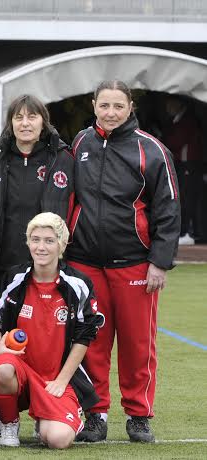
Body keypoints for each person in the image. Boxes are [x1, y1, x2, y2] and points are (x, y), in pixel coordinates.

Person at [67, 80, 180, 443]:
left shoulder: (152, 150)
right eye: (104, 106)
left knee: (137, 344)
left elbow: (168, 210)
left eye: (118, 106)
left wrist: (159, 262)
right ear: (94, 105)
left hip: (134, 262)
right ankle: (95, 414)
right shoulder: (81, 143)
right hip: (85, 263)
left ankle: (139, 414)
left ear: (130, 106)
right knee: (91, 342)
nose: (111, 113)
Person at [0, 212, 104, 449]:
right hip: (19, 372)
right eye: (35, 239)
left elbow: (85, 335)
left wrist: (62, 380)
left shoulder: (78, 284)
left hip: (54, 377)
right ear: (27, 242)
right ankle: (9, 423)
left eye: (49, 240)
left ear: (61, 244)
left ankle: (46, 418)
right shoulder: (14, 278)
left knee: (58, 440)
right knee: (4, 368)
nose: (41, 247)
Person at [0, 94, 75, 304]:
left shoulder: (63, 159)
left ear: (43, 122)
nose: (25, 123)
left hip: (46, 266)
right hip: (3, 264)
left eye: (32, 117)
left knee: (44, 330)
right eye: (18, 117)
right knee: (2, 331)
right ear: (10, 123)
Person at [161, 95, 202, 245]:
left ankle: (188, 232)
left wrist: (162, 141)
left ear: (178, 104)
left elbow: (176, 142)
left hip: (188, 164)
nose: (167, 108)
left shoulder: (186, 120)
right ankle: (187, 231)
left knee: (187, 197)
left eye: (170, 104)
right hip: (184, 163)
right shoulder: (178, 119)